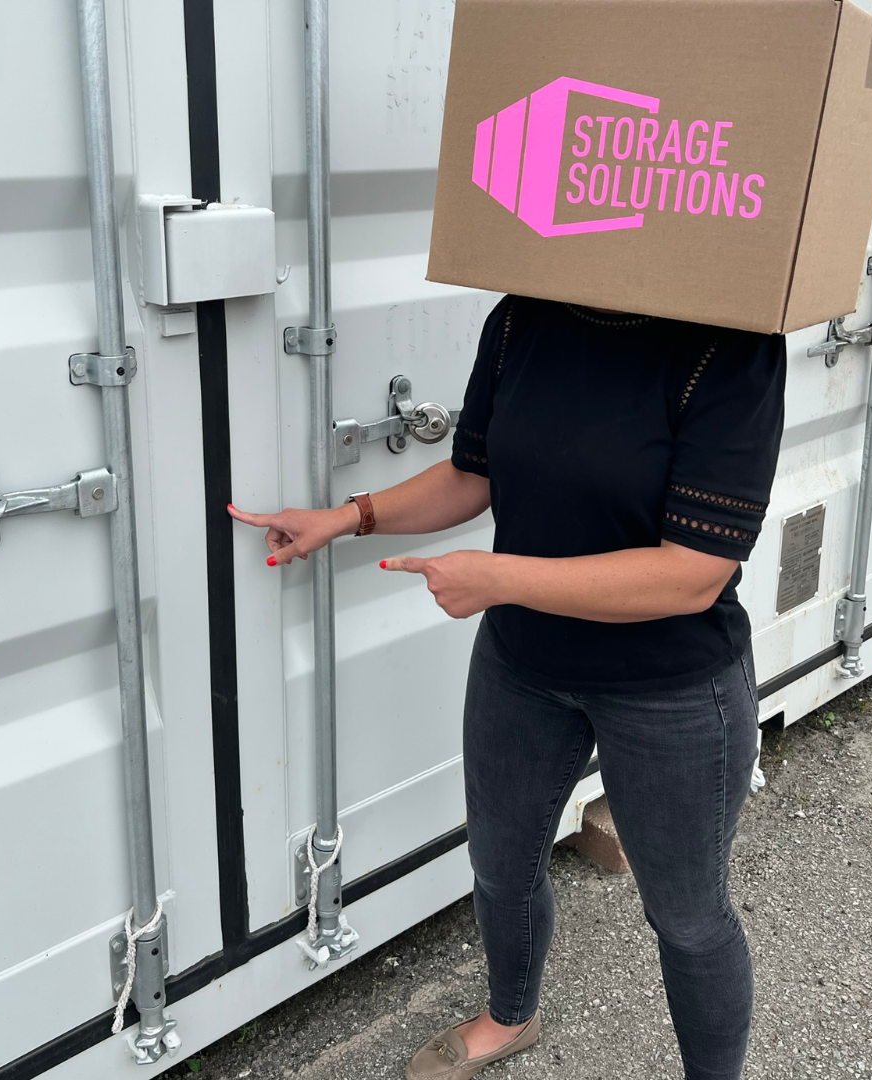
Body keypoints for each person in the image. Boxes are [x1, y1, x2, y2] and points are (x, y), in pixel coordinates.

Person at [228, 295, 787, 1080]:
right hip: (525, 665)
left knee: (689, 916)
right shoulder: (523, 317)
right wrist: (348, 517)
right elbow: (471, 474)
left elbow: (692, 574)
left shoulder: (731, 345)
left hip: (670, 685)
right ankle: (509, 1016)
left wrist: (497, 576)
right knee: (499, 865)